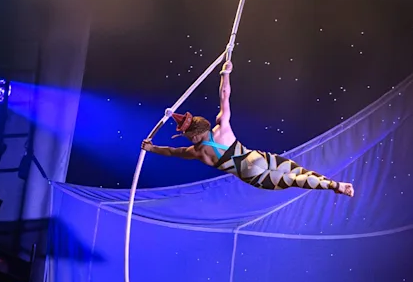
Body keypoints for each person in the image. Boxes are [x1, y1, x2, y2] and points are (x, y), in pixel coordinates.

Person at [141, 60, 353, 196]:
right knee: (297, 172)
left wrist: (151, 148)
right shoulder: (222, 127)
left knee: (293, 179)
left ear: (190, 134)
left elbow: (171, 151)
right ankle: (333, 184)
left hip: (251, 175)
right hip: (257, 158)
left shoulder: (196, 153)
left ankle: (333, 187)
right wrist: (226, 73)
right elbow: (225, 96)